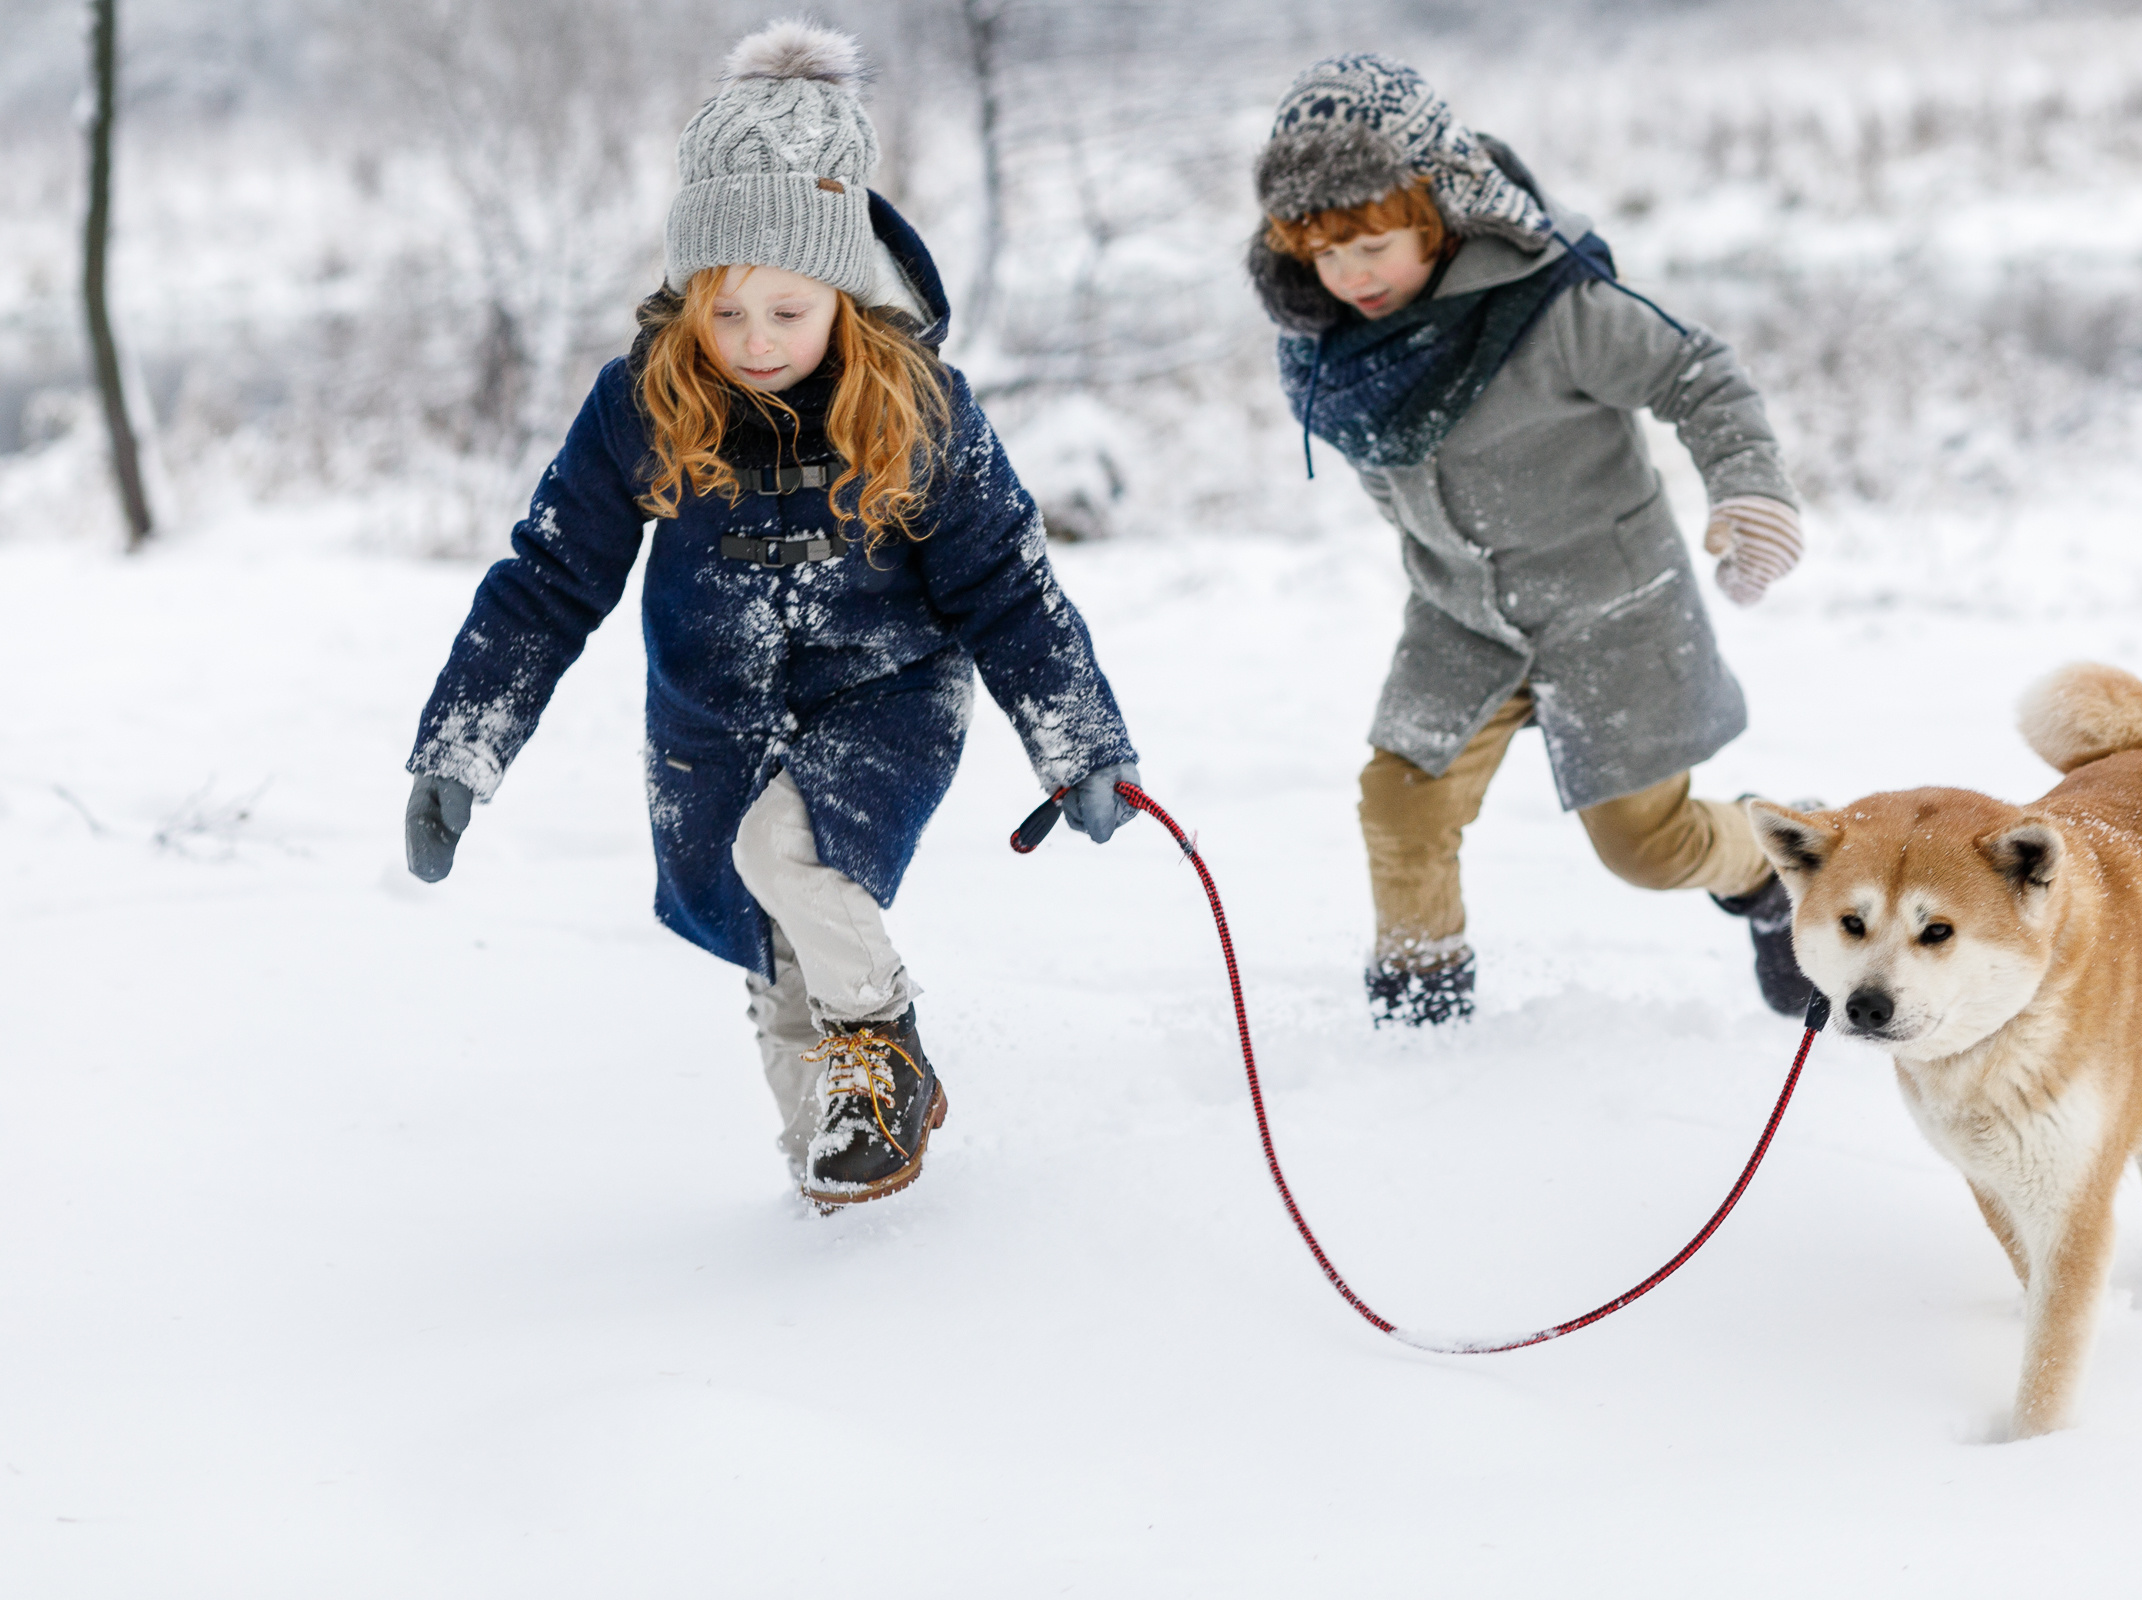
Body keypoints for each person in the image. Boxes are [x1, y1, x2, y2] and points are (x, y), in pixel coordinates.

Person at [401, 21, 1140, 1207]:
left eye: (788, 313)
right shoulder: (645, 401)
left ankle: (886, 1052)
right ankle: (836, 1196)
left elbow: (1007, 585)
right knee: (774, 951)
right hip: (713, 718)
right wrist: (463, 741)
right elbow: (549, 578)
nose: (753, 344)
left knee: (788, 856)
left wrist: (1079, 739)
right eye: (726, 313)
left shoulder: (919, 407)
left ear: (844, 292)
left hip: (887, 692)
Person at [1246, 54, 1810, 1027]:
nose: (1351, 276)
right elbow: (1387, 474)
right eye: (1324, 255)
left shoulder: (1555, 311)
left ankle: (1774, 872)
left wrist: (1750, 491)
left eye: (1373, 244)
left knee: (1647, 847)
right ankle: (1421, 1012)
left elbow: (1699, 375)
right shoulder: (1333, 354)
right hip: (1461, 617)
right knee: (1401, 799)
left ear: (1437, 213)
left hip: (1612, 609)